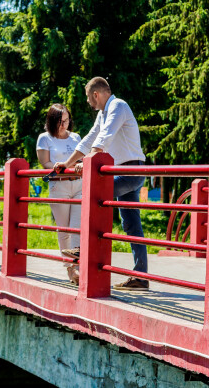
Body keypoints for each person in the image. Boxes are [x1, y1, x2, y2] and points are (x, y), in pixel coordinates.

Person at [54, 77, 149, 291]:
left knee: (93, 197)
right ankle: (141, 277)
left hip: (131, 171)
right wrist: (68, 163)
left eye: (88, 98)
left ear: (96, 94)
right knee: (131, 224)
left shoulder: (118, 106)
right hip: (123, 171)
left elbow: (104, 137)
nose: (88, 102)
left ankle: (83, 248)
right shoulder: (103, 114)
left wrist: (89, 161)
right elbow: (90, 139)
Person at [36, 103, 82, 285]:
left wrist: (80, 164)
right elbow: (45, 163)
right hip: (59, 186)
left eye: (66, 121)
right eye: (60, 122)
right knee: (64, 230)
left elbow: (83, 157)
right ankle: (70, 269)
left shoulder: (76, 137)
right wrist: (58, 167)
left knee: (77, 227)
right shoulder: (45, 138)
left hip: (78, 184)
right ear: (51, 121)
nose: (63, 125)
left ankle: (78, 266)